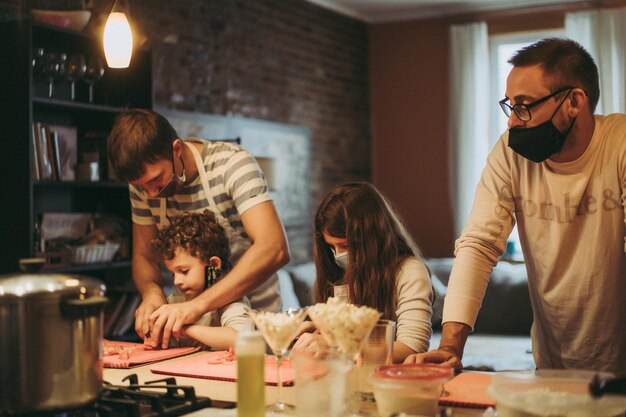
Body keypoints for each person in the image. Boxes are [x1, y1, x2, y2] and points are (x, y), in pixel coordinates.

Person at [405, 38, 626, 375]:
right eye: (510, 105)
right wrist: (450, 346)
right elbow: (478, 245)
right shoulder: (510, 154)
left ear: (574, 102)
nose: (512, 121)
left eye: (524, 105)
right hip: (552, 363)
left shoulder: (619, 143)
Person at [107, 109, 290, 349]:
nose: (151, 193)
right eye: (141, 187)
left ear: (176, 149)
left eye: (156, 180)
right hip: (196, 327)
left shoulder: (232, 165)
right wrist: (151, 292)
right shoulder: (143, 186)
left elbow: (274, 248)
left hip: (256, 324)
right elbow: (144, 256)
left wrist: (197, 306)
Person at [292, 182, 433, 363]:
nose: (338, 255)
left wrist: (335, 346)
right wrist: (322, 330)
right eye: (331, 247)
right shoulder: (336, 272)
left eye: (344, 245)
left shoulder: (409, 271)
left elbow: (412, 347)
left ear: (370, 238)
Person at [150, 210, 253, 349]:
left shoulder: (229, 302)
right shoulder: (176, 302)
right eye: (173, 274)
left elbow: (243, 341)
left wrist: (185, 329)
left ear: (214, 265)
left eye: (184, 271)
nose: (176, 281)